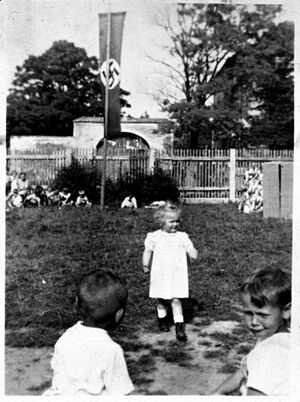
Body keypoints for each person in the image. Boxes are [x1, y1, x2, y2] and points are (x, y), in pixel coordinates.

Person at [43, 270, 134, 396]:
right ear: (118, 315)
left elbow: (58, 374)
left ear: (76, 302)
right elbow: (120, 392)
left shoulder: (65, 338)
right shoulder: (111, 351)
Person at [211, 267, 291, 396]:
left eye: (262, 315)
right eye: (248, 313)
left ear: (286, 311)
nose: (253, 322)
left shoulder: (270, 355)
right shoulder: (278, 334)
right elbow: (246, 368)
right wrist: (218, 391)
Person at [142, 202, 198, 341]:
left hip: (176, 273)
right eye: (171, 221)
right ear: (162, 221)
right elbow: (148, 251)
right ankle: (162, 321)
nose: (175, 224)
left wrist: (192, 253)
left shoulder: (181, 236)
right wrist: (145, 264)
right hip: (160, 273)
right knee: (161, 299)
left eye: (177, 221)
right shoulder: (154, 236)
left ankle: (179, 326)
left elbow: (190, 248)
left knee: (176, 299)